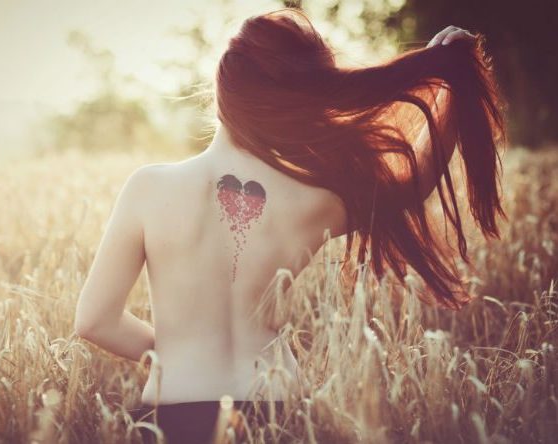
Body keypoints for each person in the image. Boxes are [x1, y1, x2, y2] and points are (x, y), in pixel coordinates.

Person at [73, 7, 505, 443]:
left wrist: (177, 353)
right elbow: (412, 182)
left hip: (170, 417)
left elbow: (94, 321)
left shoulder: (148, 188)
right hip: (276, 414)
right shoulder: (314, 197)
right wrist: (450, 86)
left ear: (223, 90)